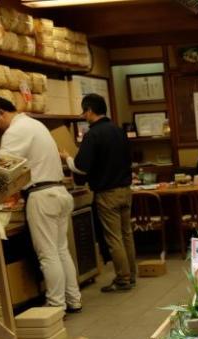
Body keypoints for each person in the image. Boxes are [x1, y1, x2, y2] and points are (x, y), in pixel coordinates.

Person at [0, 97, 82, 313]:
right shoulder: (35, 124)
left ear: (0, 113)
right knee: (61, 250)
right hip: (59, 191)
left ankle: (56, 305)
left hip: (42, 195)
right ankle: (73, 299)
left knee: (48, 254)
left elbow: (2, 167)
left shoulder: (16, 130)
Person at [61, 93, 135, 293]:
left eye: (84, 111)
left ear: (90, 111)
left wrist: (67, 158)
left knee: (114, 238)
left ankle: (122, 278)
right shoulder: (118, 130)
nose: (83, 115)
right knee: (126, 234)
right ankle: (132, 274)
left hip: (106, 193)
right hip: (126, 190)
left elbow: (81, 167)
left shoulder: (93, 135)